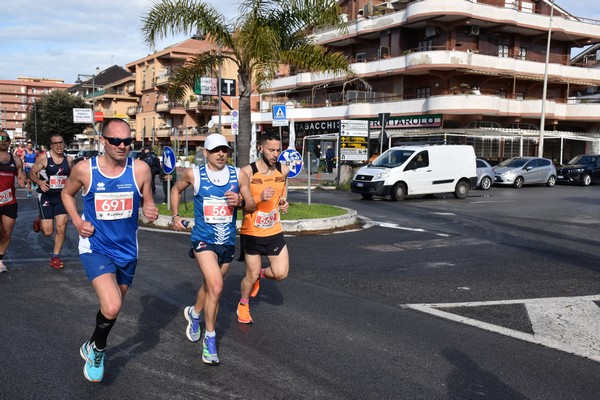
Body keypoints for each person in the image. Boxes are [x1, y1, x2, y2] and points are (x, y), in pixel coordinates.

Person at [61, 118, 158, 382]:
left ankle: (91, 343)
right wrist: (78, 221)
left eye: (127, 141)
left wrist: (150, 210)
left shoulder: (140, 170)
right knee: (113, 305)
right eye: (116, 141)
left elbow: (148, 204)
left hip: (127, 251)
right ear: (103, 141)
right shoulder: (85, 170)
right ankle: (99, 351)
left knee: (110, 309)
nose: (122, 146)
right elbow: (67, 194)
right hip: (96, 247)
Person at [170, 133, 255, 365]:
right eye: (216, 150)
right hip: (203, 239)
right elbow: (176, 190)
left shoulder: (239, 175)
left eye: (224, 150)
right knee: (217, 287)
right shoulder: (194, 174)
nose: (221, 154)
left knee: (210, 286)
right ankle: (210, 341)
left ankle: (194, 314)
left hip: (226, 241)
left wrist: (239, 202)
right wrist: (175, 215)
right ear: (205, 153)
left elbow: (252, 205)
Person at [237, 132, 290, 324]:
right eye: (271, 150)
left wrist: (283, 201)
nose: (275, 154)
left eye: (278, 150)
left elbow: (282, 190)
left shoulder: (283, 170)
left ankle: (262, 274)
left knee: (280, 273)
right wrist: (259, 198)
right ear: (260, 148)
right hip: (252, 232)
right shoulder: (247, 172)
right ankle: (243, 303)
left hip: (274, 230)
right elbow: (239, 203)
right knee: (249, 276)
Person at [29, 134, 74, 269]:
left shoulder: (69, 159)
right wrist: (39, 182)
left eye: (61, 142)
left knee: (62, 226)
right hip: (46, 196)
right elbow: (32, 172)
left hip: (62, 197)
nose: (59, 145)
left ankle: (55, 257)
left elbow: (74, 176)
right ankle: (40, 220)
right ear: (51, 145)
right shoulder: (44, 158)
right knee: (48, 232)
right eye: (56, 143)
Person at [0, 130, 26, 273]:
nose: (3, 140)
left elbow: (21, 176)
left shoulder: (15, 160)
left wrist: (22, 180)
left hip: (9, 201)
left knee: (6, 232)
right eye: (0, 138)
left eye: (5, 138)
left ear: (9, 142)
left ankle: (0, 260)